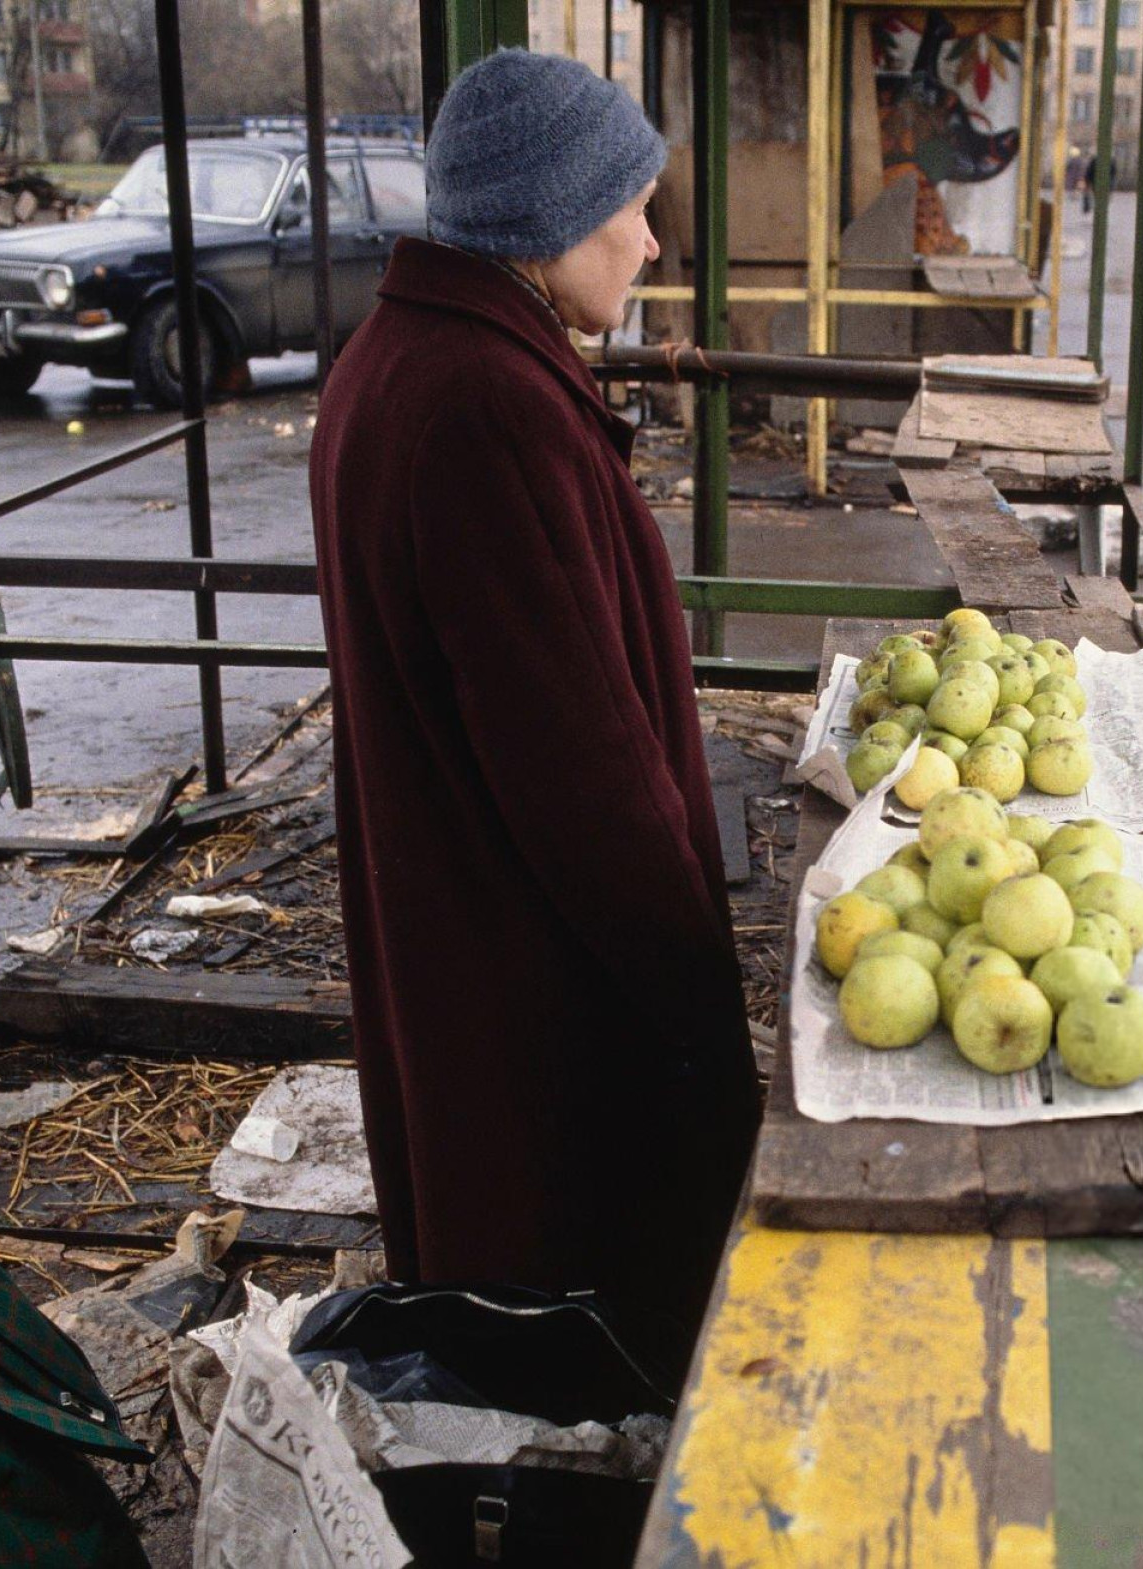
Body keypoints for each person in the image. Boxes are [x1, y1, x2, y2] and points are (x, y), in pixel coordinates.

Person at [309, 49, 762, 1386]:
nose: (650, 238)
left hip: (458, 928)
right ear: (553, 216)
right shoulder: (488, 408)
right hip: (541, 982)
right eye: (629, 204)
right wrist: (698, 1007)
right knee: (584, 1307)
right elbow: (581, 771)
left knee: (499, 1275)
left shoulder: (397, 363)